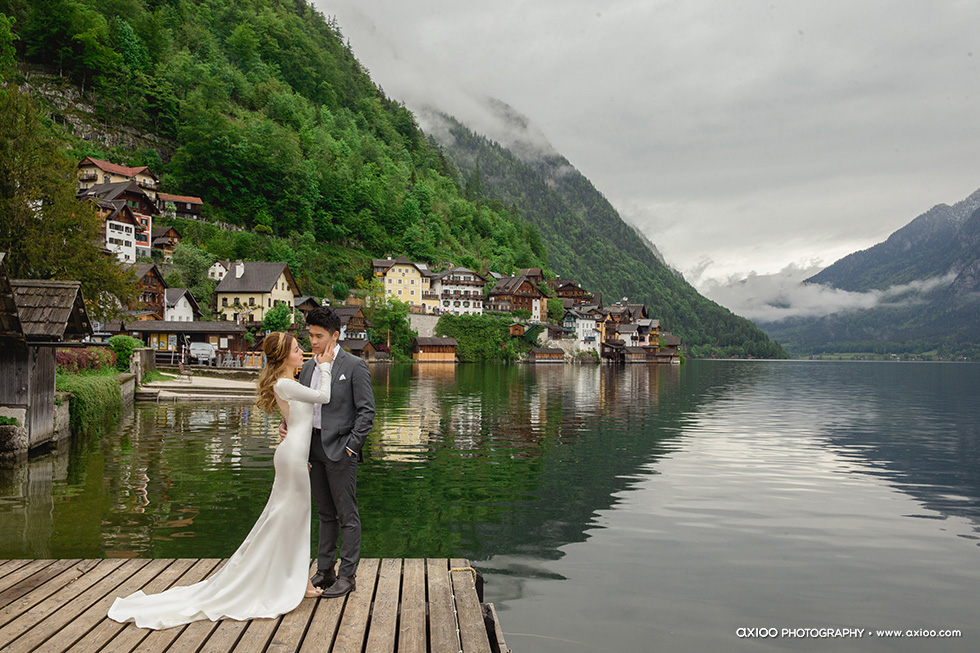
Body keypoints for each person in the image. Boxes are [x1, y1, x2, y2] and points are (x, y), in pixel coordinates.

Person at [107, 332, 332, 629]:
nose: (302, 351)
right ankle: (298, 582)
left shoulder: (289, 384)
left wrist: (285, 428)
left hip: (293, 456)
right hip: (291, 459)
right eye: (296, 348)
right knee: (291, 519)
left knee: (289, 519)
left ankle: (298, 580)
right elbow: (324, 397)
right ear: (284, 356)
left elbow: (295, 419)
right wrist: (326, 366)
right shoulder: (286, 383)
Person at [280, 306, 375, 598]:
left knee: (347, 514)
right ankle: (324, 570)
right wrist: (286, 428)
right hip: (311, 448)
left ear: (336, 335)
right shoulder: (307, 367)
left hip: (341, 450)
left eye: (319, 336)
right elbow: (299, 406)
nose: (314, 341)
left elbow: (366, 412)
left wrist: (350, 447)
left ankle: (347, 575)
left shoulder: (354, 366)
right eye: (310, 335)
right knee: (325, 513)